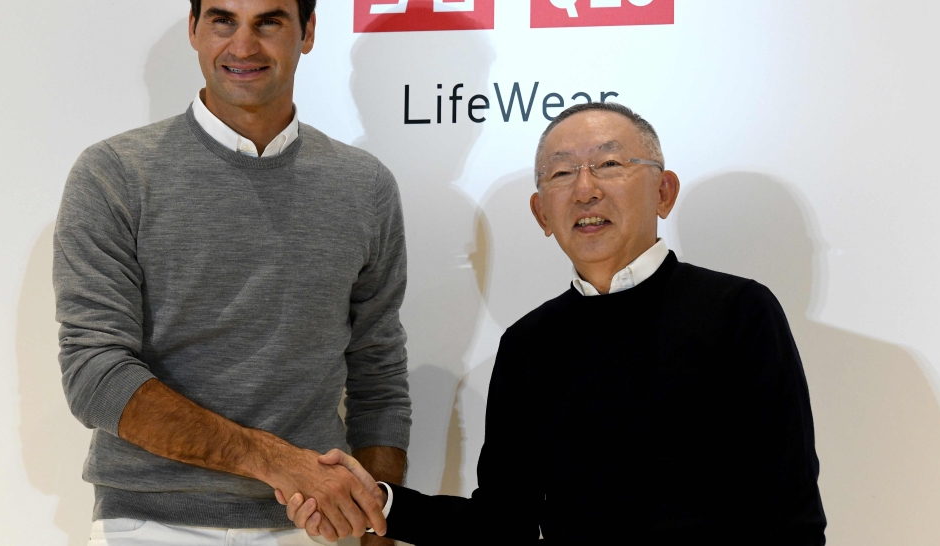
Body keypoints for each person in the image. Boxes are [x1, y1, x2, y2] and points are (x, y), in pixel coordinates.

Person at [286, 102, 827, 544]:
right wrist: (382, 502)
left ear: (664, 192)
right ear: (542, 213)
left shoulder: (740, 312)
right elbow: (503, 523)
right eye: (563, 173)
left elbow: (792, 518)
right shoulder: (529, 345)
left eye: (610, 165)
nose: (585, 189)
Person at [54, 0, 408, 545]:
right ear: (194, 28)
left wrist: (374, 522)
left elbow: (377, 369)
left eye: (269, 22)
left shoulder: (364, 187)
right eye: (223, 20)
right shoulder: (114, 174)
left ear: (309, 31)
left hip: (314, 527)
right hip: (151, 523)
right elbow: (95, 374)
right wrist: (278, 461)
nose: (243, 45)